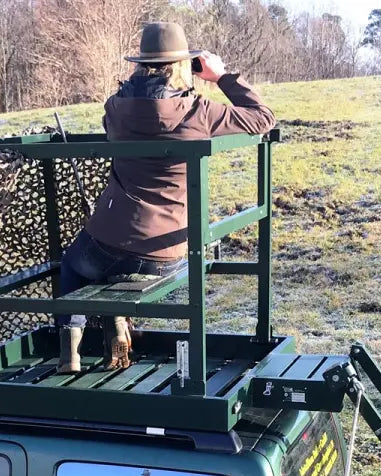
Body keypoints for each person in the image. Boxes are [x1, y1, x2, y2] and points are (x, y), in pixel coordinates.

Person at [56, 21, 276, 373]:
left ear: (140, 64)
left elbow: (112, 125)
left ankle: (71, 352)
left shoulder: (115, 107)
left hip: (107, 245)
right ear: (183, 66)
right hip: (166, 252)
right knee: (113, 265)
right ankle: (116, 315)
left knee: (74, 266)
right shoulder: (197, 112)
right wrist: (221, 78)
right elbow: (262, 118)